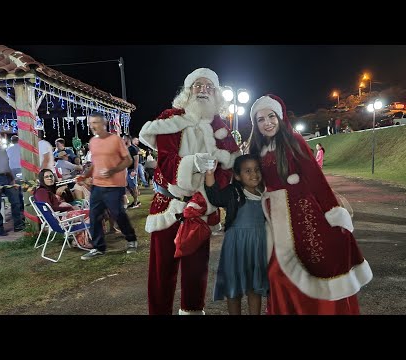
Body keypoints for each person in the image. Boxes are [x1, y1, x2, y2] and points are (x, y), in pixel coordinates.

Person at [248, 94, 372, 315]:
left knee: (316, 269)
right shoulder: (257, 150)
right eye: (260, 119)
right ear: (255, 125)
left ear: (280, 116)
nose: (267, 122)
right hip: (274, 221)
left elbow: (316, 179)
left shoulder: (294, 141)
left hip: (305, 214)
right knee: (278, 275)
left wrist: (334, 213)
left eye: (271, 116)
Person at [139, 67, 241, 315]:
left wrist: (211, 191)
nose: (203, 90)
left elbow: (230, 166)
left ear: (215, 93)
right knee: (162, 269)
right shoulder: (171, 118)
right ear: (188, 90)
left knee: (197, 268)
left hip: (201, 208)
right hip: (169, 205)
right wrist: (193, 163)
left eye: (208, 87)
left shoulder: (219, 125)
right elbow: (165, 160)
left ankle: (193, 310)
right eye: (198, 85)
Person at [205, 154, 269, 315]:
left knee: (255, 289)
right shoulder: (234, 192)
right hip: (236, 246)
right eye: (247, 171)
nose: (254, 174)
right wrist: (210, 174)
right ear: (237, 175)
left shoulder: (266, 193)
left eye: (256, 170)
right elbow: (216, 198)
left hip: (258, 246)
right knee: (234, 289)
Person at [78, 111, 138, 260]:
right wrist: (85, 175)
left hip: (114, 185)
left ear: (104, 124)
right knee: (94, 215)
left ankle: (131, 240)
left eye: (95, 123)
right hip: (98, 185)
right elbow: (94, 164)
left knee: (118, 213)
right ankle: (98, 248)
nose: (92, 126)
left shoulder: (116, 140)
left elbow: (128, 160)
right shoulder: (92, 142)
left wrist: (112, 170)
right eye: (90, 123)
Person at [34, 169, 91, 249]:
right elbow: (50, 208)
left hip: (65, 214)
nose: (50, 178)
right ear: (42, 179)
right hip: (58, 218)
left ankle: (81, 240)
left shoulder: (54, 188)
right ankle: (81, 241)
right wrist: (69, 207)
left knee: (91, 212)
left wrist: (66, 190)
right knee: (90, 214)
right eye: (46, 177)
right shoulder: (41, 191)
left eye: (51, 176)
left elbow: (71, 200)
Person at [6, 135, 24, 217]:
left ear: (12, 141)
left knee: (15, 189)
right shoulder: (22, 148)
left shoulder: (8, 149)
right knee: (24, 188)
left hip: (12, 170)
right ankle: (24, 206)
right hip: (22, 169)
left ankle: (19, 207)